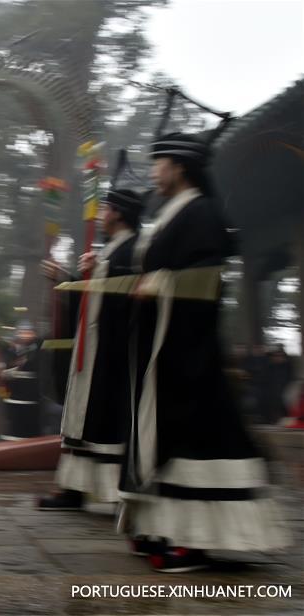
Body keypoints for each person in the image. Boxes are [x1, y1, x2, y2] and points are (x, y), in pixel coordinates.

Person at [119, 132, 290, 572]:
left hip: (188, 349)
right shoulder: (174, 213)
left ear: (179, 167)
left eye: (159, 162)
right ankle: (163, 526)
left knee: (194, 437)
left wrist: (160, 285)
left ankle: (194, 539)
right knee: (164, 437)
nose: (153, 171)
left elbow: (205, 279)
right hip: (163, 348)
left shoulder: (202, 213)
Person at [38, 188, 142, 510]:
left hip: (112, 354)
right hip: (92, 347)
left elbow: (129, 289)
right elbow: (94, 295)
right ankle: (73, 488)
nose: (100, 214)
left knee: (103, 421)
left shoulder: (133, 249)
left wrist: (100, 270)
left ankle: (110, 491)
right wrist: (67, 279)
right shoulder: (111, 248)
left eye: (106, 207)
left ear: (120, 213)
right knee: (81, 420)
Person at [0, 321, 42, 440]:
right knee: (14, 430)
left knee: (30, 432)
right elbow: (3, 372)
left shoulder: (36, 351)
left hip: (32, 401)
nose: (25, 336)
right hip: (14, 400)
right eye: (23, 333)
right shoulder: (10, 352)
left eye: (28, 333)